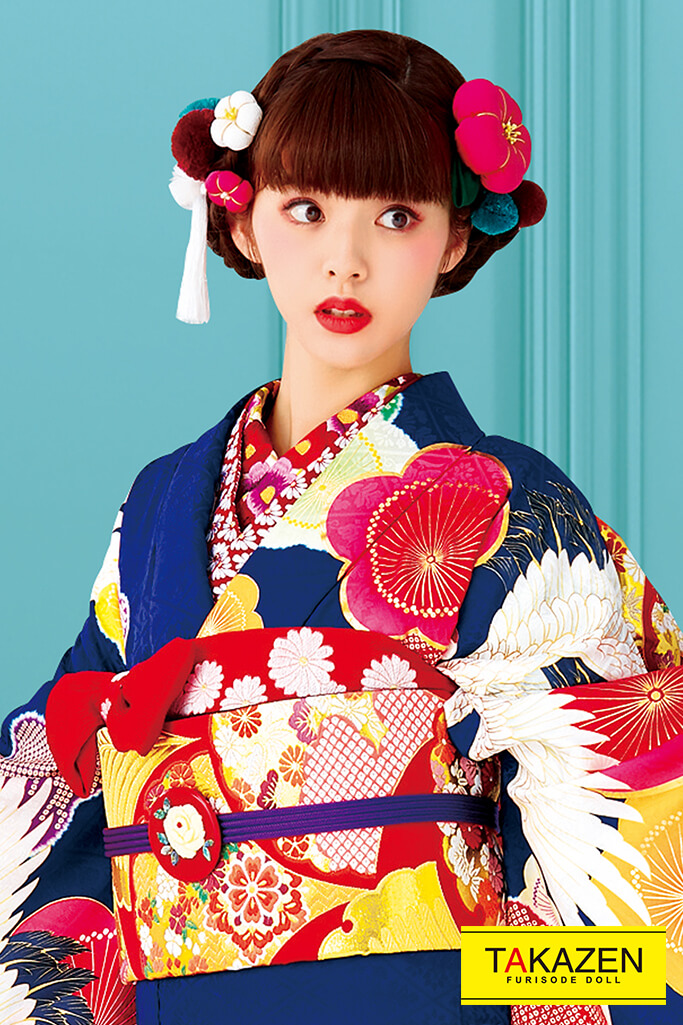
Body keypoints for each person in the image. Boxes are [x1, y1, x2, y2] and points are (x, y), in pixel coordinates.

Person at [0, 28, 681, 1025]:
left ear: (453, 238)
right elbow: (58, 768)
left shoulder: (505, 507)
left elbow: (621, 869)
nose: (345, 261)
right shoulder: (157, 504)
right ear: (241, 221)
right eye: (306, 209)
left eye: (395, 215)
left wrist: (446, 993)